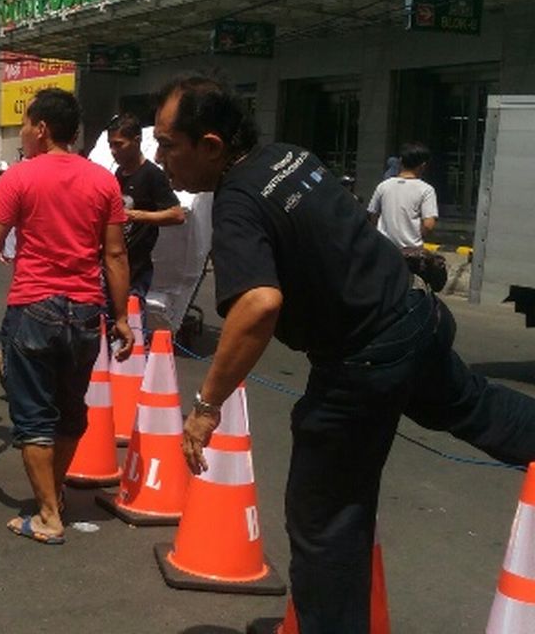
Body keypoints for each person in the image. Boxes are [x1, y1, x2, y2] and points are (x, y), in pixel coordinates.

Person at [152, 74, 535, 633]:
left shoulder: (237, 201)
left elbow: (258, 304)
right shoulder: (290, 157)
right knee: (470, 405)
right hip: (413, 317)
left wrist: (207, 404)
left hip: (364, 358)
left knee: (325, 517)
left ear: (210, 145)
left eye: (168, 145)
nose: (162, 159)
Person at [0, 88, 135, 545]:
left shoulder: (20, 178)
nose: (23, 133)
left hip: (34, 308)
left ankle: (47, 513)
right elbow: (116, 253)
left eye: (26, 124)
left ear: (42, 129)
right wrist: (121, 317)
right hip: (86, 310)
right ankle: (55, 493)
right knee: (69, 411)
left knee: (32, 416)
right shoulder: (103, 181)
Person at [107, 113, 185, 303]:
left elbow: (177, 215)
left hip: (137, 267)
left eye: (119, 144)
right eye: (111, 145)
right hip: (116, 262)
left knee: (132, 320)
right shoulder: (119, 173)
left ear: (136, 141)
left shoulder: (152, 175)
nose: (113, 151)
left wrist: (135, 215)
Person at [367, 142, 438, 250]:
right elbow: (429, 224)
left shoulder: (384, 186)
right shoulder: (426, 190)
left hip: (384, 249)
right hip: (411, 251)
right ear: (423, 166)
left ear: (400, 162)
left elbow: (373, 214)